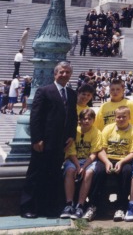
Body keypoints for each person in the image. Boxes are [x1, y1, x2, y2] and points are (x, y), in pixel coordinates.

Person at [20, 61, 78, 219]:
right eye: (61, 72)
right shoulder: (44, 91)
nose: (64, 74)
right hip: (43, 143)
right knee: (36, 175)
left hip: (61, 144)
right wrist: (37, 139)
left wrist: (72, 135)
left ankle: (48, 207)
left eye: (67, 72)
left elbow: (73, 117)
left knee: (53, 176)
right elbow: (36, 117)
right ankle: (28, 207)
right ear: (55, 73)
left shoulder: (72, 94)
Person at [97, 105, 133, 221]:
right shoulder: (108, 129)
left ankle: (121, 206)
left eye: (124, 117)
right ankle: (94, 204)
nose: (121, 119)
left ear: (129, 117)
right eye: (118, 117)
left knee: (127, 171)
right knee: (98, 171)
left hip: (125, 159)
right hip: (108, 158)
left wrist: (121, 162)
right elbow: (101, 150)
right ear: (115, 118)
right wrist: (106, 162)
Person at [62, 108, 104, 220]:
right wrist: (77, 166)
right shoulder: (74, 131)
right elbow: (70, 151)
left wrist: (83, 167)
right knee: (70, 171)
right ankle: (69, 204)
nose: (86, 121)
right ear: (79, 120)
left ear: (94, 120)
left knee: (89, 172)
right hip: (73, 159)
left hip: (88, 160)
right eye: (84, 119)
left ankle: (80, 205)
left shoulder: (97, 132)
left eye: (89, 119)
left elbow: (94, 153)